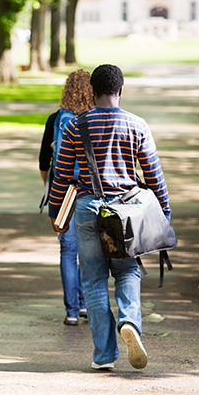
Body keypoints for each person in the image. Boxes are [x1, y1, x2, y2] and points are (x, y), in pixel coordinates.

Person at [48, 64, 171, 371]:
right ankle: (129, 321)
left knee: (93, 280)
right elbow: (155, 177)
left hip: (89, 208)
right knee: (128, 270)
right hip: (126, 212)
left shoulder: (76, 125)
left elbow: (61, 175)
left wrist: (55, 213)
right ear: (121, 90)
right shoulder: (137, 125)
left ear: (92, 91)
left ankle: (104, 355)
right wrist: (164, 213)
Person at [38, 70, 93, 326]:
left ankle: (71, 311)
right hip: (90, 192)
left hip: (64, 192)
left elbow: (43, 162)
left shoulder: (55, 119)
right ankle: (85, 305)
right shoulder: (96, 119)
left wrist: (54, 190)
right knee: (90, 251)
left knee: (67, 251)